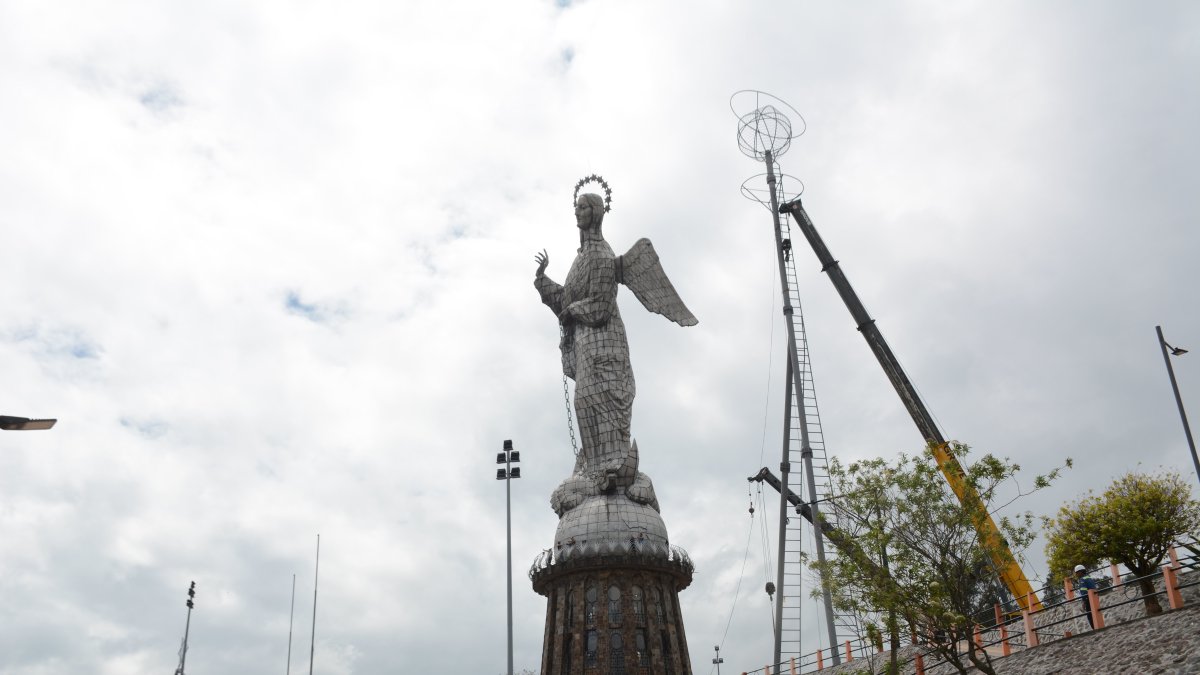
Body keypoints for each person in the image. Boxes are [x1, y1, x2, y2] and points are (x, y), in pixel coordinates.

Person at [1074, 564, 1099, 629]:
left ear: (1080, 572)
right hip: (1094, 597)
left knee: (1090, 615)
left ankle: (1094, 629)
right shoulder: (1089, 577)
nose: (1076, 575)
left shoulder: (1082, 579)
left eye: (1077, 573)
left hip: (1088, 599)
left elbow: (1084, 591)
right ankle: (1098, 626)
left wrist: (1084, 602)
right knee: (1096, 613)